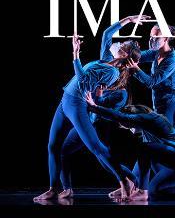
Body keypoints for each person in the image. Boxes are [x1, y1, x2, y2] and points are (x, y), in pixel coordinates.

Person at [33, 15, 149, 201]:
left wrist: (76, 55)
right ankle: (54, 188)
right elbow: (106, 34)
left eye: (123, 45)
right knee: (53, 145)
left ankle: (128, 179)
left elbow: (84, 81)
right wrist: (128, 20)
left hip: (77, 105)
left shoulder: (112, 72)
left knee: (97, 148)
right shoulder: (105, 59)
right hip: (65, 101)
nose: (118, 44)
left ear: (125, 54)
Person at [85, 93, 175, 201]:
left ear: (133, 119)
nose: (131, 130)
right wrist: (131, 183)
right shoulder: (147, 127)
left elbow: (119, 116)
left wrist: (94, 107)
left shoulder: (150, 118)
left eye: (128, 127)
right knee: (154, 189)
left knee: (144, 148)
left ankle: (142, 192)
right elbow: (141, 162)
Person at [127, 24, 175, 126]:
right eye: (151, 36)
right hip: (157, 102)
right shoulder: (156, 53)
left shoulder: (172, 60)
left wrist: (135, 68)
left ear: (165, 38)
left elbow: (151, 82)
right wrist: (131, 51)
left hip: (169, 104)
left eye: (156, 37)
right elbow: (138, 57)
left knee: (163, 134)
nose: (152, 40)